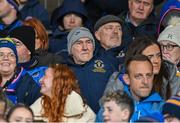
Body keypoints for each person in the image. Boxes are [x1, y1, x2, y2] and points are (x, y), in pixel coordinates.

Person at [96, 55, 164, 122]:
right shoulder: (109, 108)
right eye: (138, 76)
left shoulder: (163, 108)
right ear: (127, 79)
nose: (145, 82)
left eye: (149, 75)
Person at [66, 27, 117, 113]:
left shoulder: (107, 65)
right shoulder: (63, 71)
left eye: (88, 42)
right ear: (70, 49)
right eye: (79, 43)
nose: (85, 47)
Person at [31, 64, 96, 122]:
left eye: (45, 76)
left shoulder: (85, 113)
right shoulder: (37, 107)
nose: (40, 80)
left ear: (58, 81)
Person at [0, 38, 41, 106]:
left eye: (11, 55)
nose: (6, 58)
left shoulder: (30, 86)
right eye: (1, 55)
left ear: (16, 60)